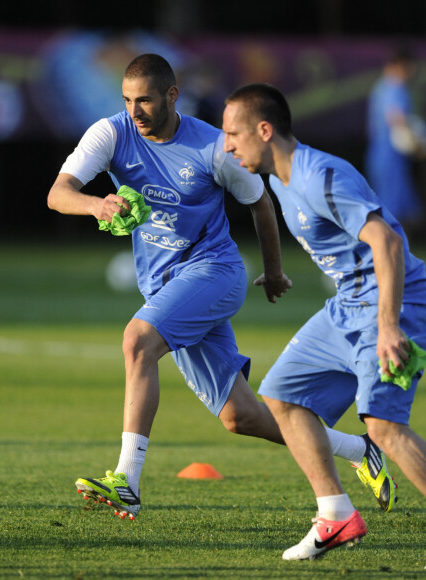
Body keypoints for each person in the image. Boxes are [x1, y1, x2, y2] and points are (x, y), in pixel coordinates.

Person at [47, 54, 395, 521]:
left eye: (145, 100)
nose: (135, 111)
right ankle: (359, 449)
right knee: (240, 418)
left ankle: (126, 479)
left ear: (172, 95)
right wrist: (97, 206)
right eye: (127, 100)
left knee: (137, 340)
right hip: (165, 287)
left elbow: (260, 204)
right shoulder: (111, 133)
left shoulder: (213, 147)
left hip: (216, 272)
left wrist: (273, 271)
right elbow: (58, 193)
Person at [223, 82, 426, 560]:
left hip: (392, 302)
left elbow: (389, 244)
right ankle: (335, 514)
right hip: (346, 306)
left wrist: (389, 325)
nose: (227, 144)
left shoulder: (321, 176)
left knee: (384, 428)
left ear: (264, 130)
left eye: (233, 133)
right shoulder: (277, 179)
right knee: (281, 397)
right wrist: (275, 273)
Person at [365, 45, 425, 239]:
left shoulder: (380, 87)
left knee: (388, 209)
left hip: (378, 155)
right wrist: (418, 145)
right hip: (391, 157)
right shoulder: (396, 88)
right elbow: (396, 118)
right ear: (402, 65)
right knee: (396, 213)